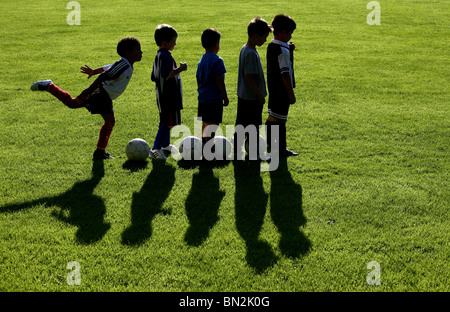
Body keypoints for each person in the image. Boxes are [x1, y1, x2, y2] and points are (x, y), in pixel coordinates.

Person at [30, 37, 142, 160]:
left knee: (73, 104)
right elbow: (103, 76)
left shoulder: (125, 63)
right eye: (138, 50)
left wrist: (93, 71)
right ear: (128, 52)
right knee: (109, 121)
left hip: (104, 95)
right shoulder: (124, 65)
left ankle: (49, 86)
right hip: (100, 94)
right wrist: (88, 90)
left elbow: (106, 68)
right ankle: (99, 152)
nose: (141, 52)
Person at [234, 17, 272, 160]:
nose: (265, 40)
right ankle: (255, 153)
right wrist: (260, 94)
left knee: (241, 124)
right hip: (251, 98)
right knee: (253, 125)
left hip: (243, 96)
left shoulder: (246, 48)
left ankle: (238, 150)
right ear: (255, 36)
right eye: (264, 37)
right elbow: (249, 77)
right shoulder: (250, 53)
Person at [150, 24, 187, 159]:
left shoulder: (159, 56)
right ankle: (155, 149)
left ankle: (165, 146)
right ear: (165, 43)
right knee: (166, 123)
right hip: (168, 97)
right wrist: (180, 69)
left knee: (167, 122)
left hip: (163, 96)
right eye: (173, 42)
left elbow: (154, 76)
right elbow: (167, 75)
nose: (175, 44)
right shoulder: (165, 56)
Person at [265, 14, 299, 157]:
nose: (291, 35)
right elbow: (285, 73)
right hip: (282, 90)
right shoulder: (283, 51)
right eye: (290, 33)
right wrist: (291, 94)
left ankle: (270, 144)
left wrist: (289, 48)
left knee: (272, 117)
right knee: (281, 120)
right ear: (284, 32)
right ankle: (281, 149)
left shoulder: (272, 46)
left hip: (273, 89)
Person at [196, 28, 228, 148]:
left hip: (203, 98)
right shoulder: (218, 61)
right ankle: (210, 149)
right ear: (216, 44)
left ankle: (204, 145)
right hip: (214, 98)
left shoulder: (202, 60)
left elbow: (198, 78)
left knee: (205, 123)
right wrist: (225, 97)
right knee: (213, 124)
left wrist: (202, 92)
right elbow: (219, 80)